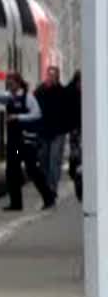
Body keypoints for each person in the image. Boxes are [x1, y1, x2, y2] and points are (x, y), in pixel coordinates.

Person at [0, 71, 56, 211]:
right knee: (12, 170)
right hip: (15, 142)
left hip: (27, 140)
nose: (8, 85)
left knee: (32, 169)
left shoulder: (28, 97)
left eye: (11, 82)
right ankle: (16, 203)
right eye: (7, 83)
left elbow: (37, 113)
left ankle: (48, 197)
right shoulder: (9, 98)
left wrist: (18, 117)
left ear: (18, 83)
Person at [34, 65, 67, 200]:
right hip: (43, 132)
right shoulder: (39, 91)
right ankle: (47, 186)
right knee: (43, 161)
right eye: (49, 75)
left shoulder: (62, 92)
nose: (51, 78)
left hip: (58, 132)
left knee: (54, 160)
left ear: (57, 78)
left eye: (54, 76)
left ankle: (52, 188)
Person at [66, 70, 82, 200]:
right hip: (75, 129)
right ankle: (75, 174)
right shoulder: (70, 92)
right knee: (75, 155)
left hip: (81, 129)